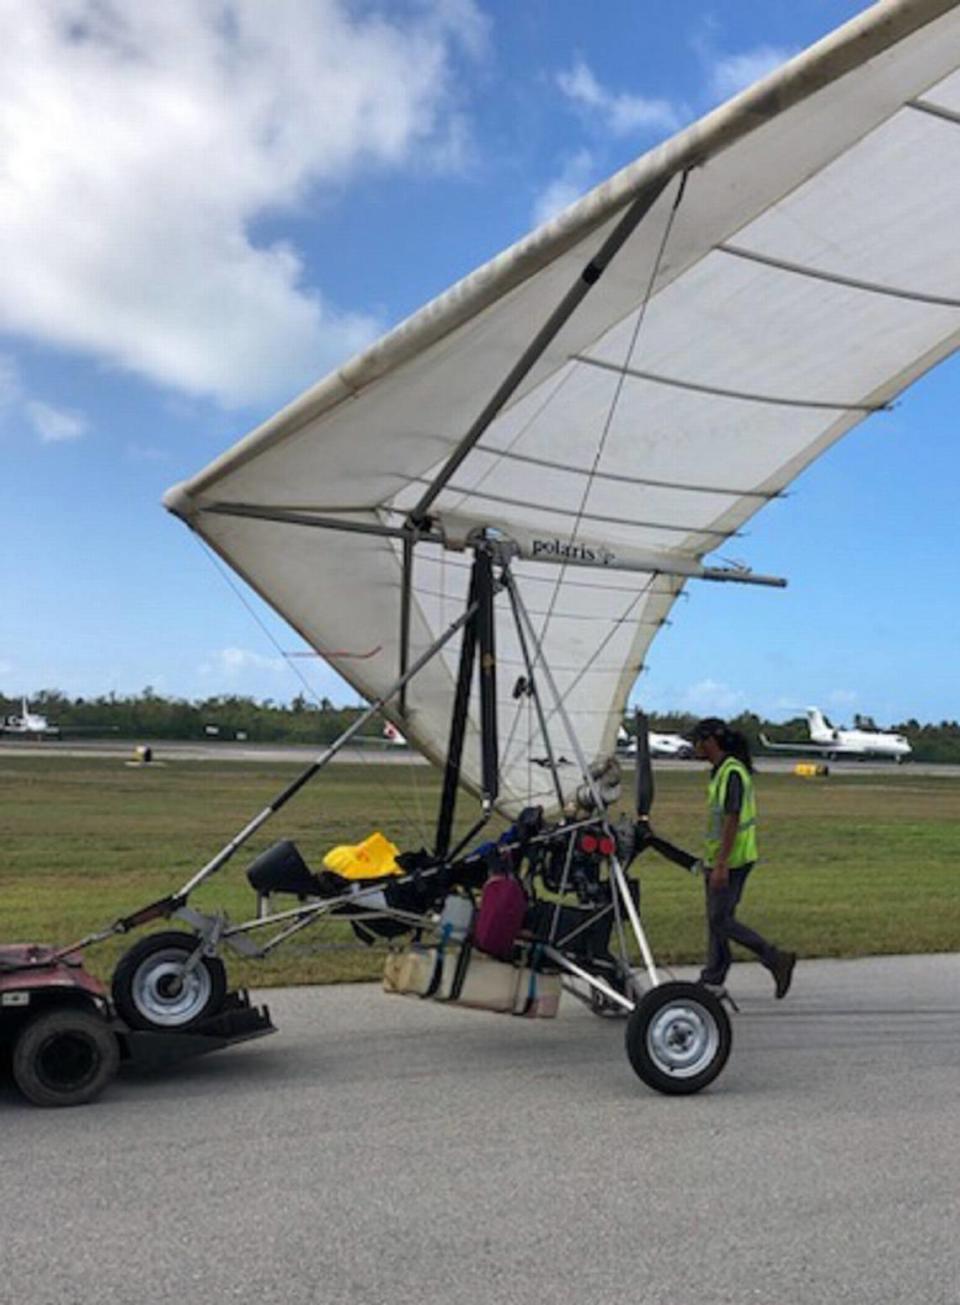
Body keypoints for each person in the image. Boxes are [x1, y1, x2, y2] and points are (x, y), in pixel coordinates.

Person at [687, 717, 796, 999]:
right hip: (722, 858)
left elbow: (732, 819)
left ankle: (774, 958)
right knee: (718, 919)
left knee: (720, 920)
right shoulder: (721, 771)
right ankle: (713, 978)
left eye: (697, 740)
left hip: (733, 860)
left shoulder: (731, 772)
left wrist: (721, 864)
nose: (694, 746)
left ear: (710, 741)